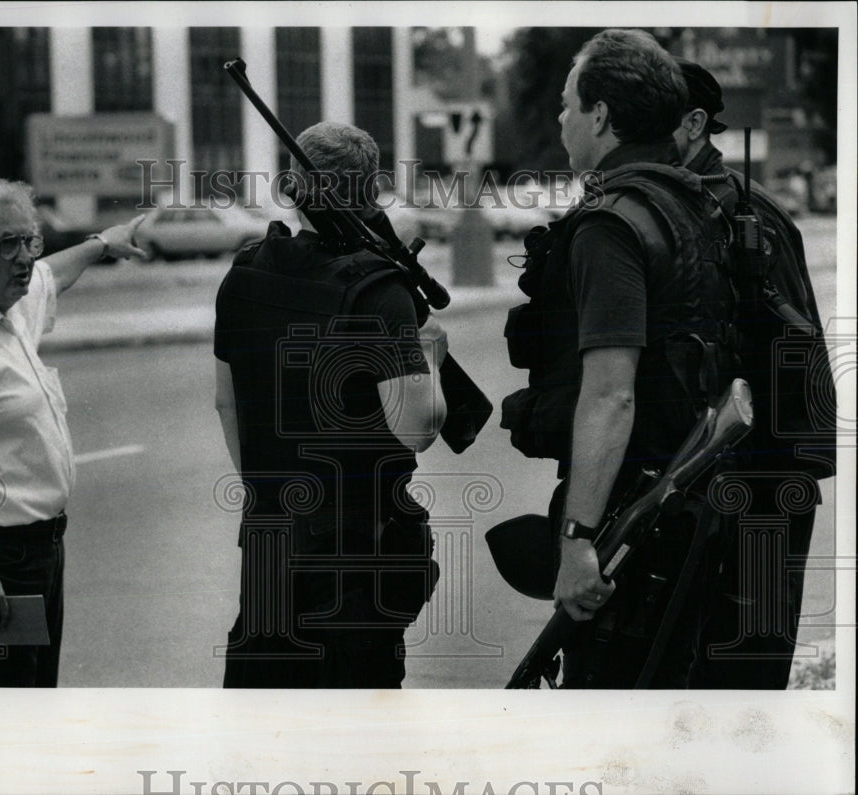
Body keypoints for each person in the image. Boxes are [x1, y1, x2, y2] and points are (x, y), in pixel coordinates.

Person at [503, 29, 740, 687]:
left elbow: (612, 393)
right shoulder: (693, 204)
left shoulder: (612, 223)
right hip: (688, 513)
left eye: (567, 104)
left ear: (600, 115)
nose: (560, 119)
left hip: (630, 528)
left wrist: (579, 539)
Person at [214, 121, 447, 688]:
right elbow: (417, 426)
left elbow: (227, 404)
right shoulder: (379, 291)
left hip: (269, 533)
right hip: (354, 550)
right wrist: (431, 353)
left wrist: (268, 490)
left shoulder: (244, 272)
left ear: (293, 190)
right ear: (370, 193)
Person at [0, 176, 145, 686]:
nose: (25, 257)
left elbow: (51, 277)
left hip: (37, 551)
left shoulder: (4, 303)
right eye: (7, 244)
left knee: (32, 701)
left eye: (28, 240)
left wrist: (103, 243)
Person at [673, 58, 836, 689]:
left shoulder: (748, 217)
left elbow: (793, 353)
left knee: (742, 683)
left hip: (762, 483)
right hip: (742, 479)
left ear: (693, 125)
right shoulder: (691, 205)